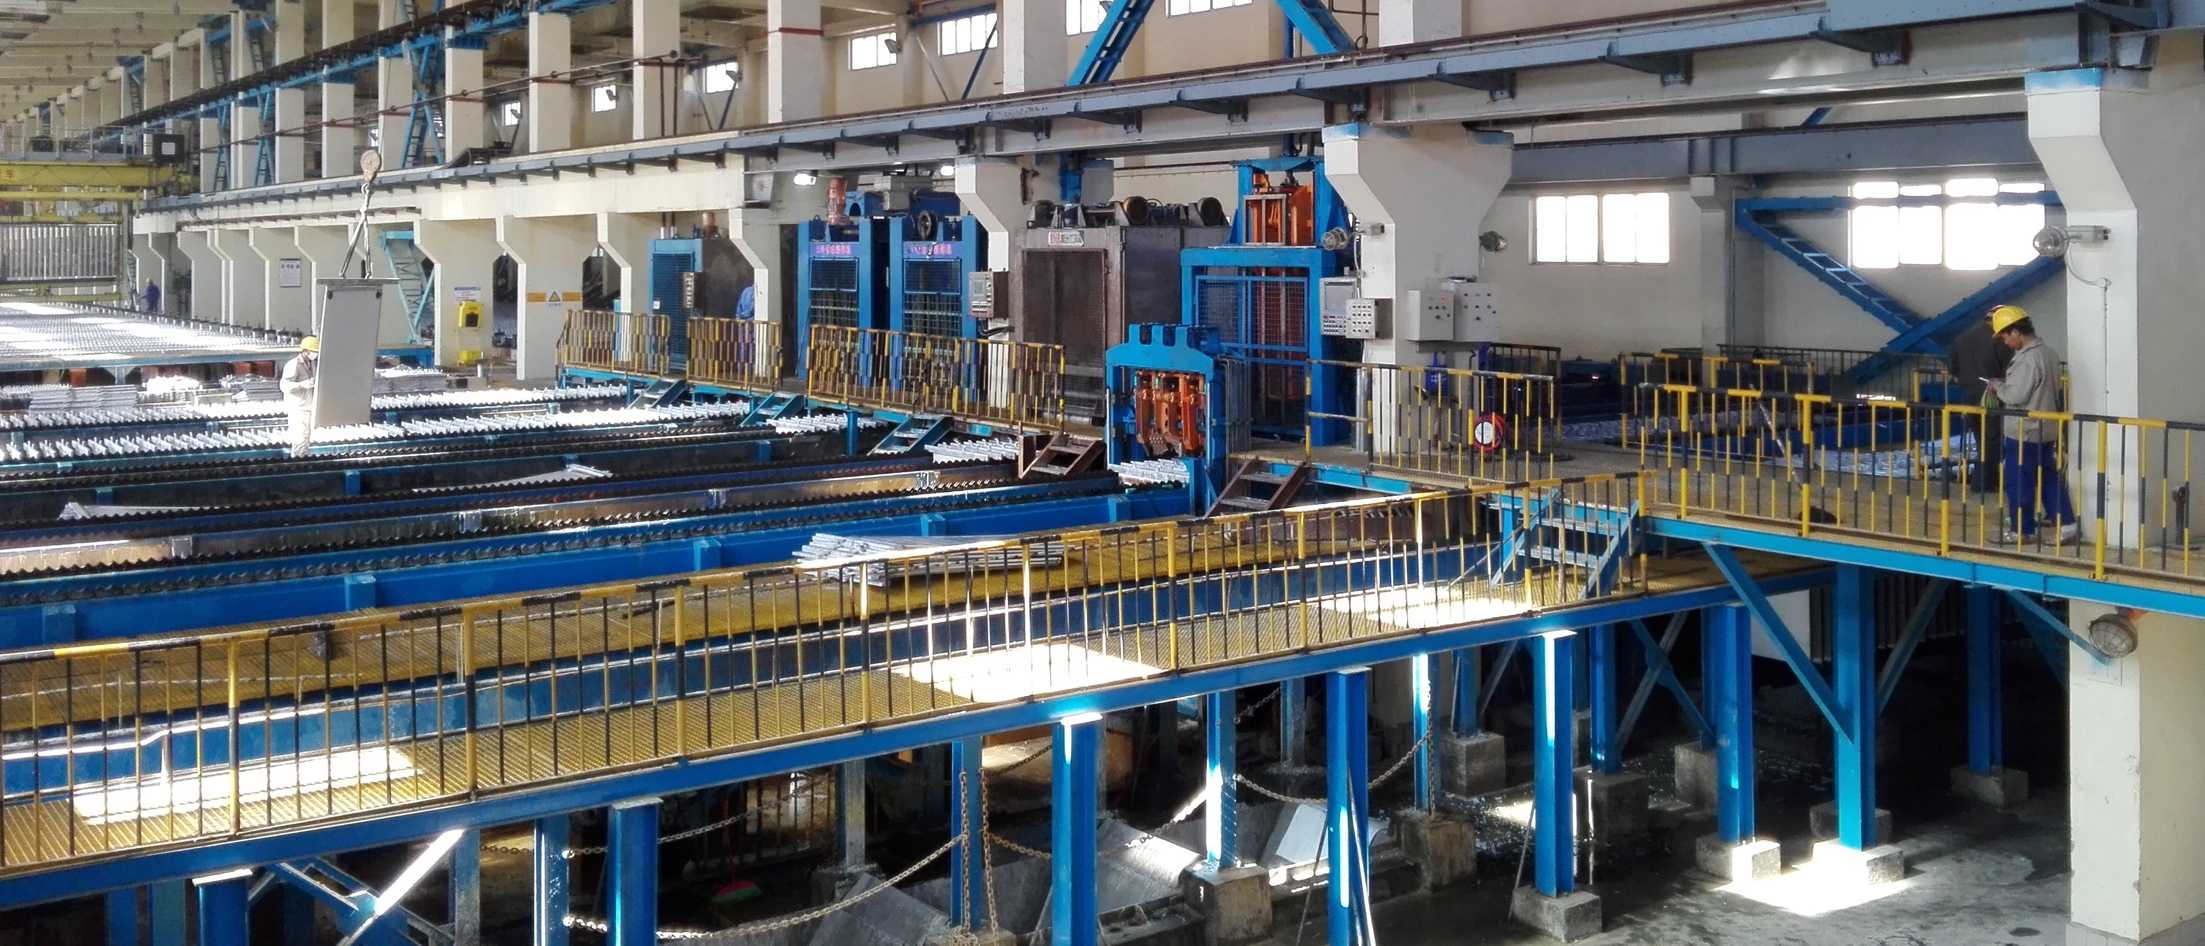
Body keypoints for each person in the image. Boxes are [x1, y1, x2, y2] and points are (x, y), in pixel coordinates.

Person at [1985, 305, 2076, 544]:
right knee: (2048, 479)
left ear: (2016, 332)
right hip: (2046, 428)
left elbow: (2017, 395)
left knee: (2019, 482)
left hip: (2024, 431)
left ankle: (2021, 531)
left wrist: (1998, 387)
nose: (2005, 342)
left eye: (2005, 336)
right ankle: (2067, 525)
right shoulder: (2048, 353)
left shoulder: (2028, 359)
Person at [1948, 319, 2011, 493]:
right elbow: (2009, 371)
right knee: (1992, 439)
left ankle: (1986, 478)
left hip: (1968, 395)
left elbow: (1953, 369)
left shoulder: (1962, 339)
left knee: (1980, 438)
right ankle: (1982, 482)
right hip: (1992, 394)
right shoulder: (2001, 341)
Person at [280, 336, 320, 458]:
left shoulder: (311, 364)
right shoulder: (294, 364)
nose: (315, 354)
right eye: (314, 351)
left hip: (307, 406)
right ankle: (297, 462)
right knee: (300, 438)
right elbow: (284, 386)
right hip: (298, 407)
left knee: (306, 437)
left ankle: (301, 459)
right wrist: (302, 384)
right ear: (306, 351)